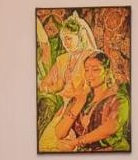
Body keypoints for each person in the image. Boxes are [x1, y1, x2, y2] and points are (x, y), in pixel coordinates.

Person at [36, 12, 97, 151]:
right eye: (63, 40)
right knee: (46, 144)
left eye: (69, 39)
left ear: (79, 37)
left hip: (85, 108)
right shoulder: (62, 59)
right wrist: (51, 88)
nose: (65, 43)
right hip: (64, 109)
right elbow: (47, 83)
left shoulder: (90, 56)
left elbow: (93, 88)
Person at [53, 52, 130, 152]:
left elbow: (110, 128)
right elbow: (59, 133)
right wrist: (80, 102)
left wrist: (76, 142)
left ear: (106, 72)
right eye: (86, 70)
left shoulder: (119, 100)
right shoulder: (80, 98)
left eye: (95, 69)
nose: (90, 75)